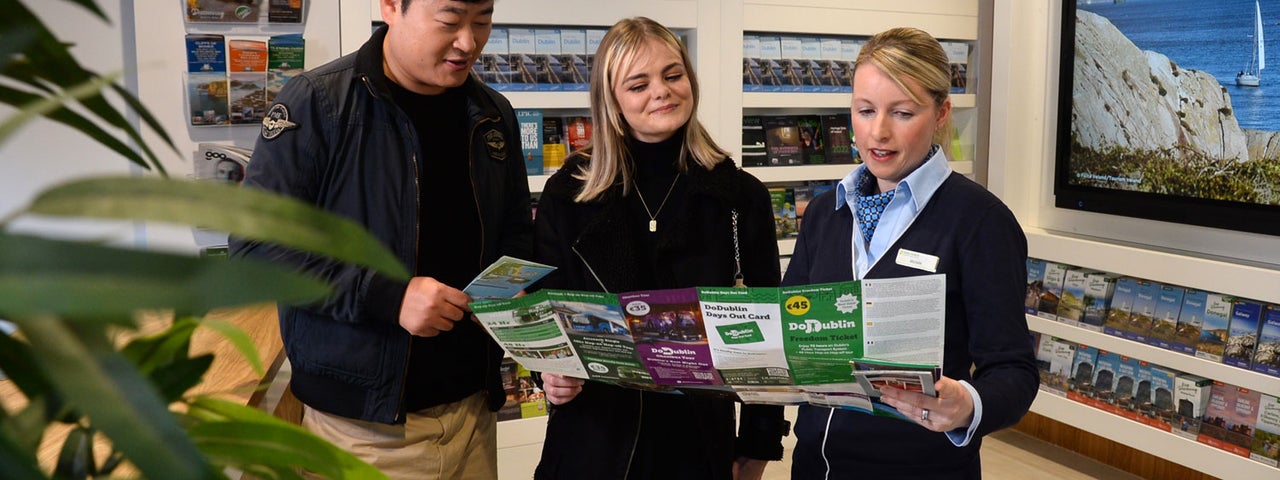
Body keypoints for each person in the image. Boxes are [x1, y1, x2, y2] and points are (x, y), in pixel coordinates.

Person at [229, 0, 532, 478]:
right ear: (391, 6)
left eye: (483, 20)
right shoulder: (317, 103)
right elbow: (255, 251)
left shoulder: (493, 113)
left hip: (474, 416)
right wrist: (388, 297)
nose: (468, 42)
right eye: (450, 21)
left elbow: (514, 233)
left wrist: (514, 287)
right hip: (363, 431)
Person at [531, 16, 790, 480]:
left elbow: (768, 339)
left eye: (673, 75)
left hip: (696, 448)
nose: (663, 91)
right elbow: (545, 315)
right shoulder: (568, 195)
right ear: (612, 101)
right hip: (590, 448)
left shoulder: (738, 196)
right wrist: (549, 374)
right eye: (638, 84)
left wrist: (757, 448)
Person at [783, 27, 1038, 479]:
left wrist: (967, 405)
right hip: (814, 466)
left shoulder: (980, 221)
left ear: (942, 113)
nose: (878, 131)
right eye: (864, 111)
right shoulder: (825, 213)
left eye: (902, 112)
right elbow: (791, 332)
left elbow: (1013, 370)